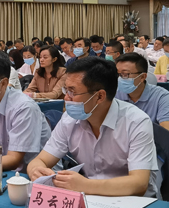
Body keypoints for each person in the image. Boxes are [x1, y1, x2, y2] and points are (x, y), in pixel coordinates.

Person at [27, 57, 158, 197]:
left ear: (100, 96)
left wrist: (85, 185)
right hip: (89, 197)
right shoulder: (69, 119)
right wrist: (36, 170)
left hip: (132, 201)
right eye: (66, 90)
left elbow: (139, 183)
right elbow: (40, 160)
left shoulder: (136, 122)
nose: (66, 98)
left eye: (72, 92)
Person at [115, 53, 169, 133]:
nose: (120, 78)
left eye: (125, 74)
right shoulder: (113, 94)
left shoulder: (161, 96)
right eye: (117, 74)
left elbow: (168, 132)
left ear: (142, 77)